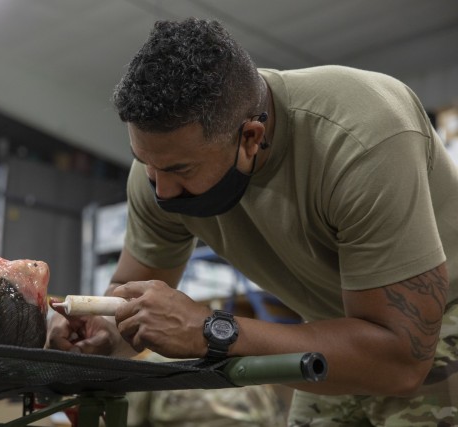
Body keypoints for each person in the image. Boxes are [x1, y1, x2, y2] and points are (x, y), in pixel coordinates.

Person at [46, 18, 458, 425]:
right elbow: (127, 295)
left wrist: (212, 331)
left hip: (435, 324)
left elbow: (402, 362)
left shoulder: (361, 140)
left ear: (250, 138)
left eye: (181, 170)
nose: (163, 191)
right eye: (146, 163)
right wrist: (104, 332)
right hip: (334, 328)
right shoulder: (159, 171)